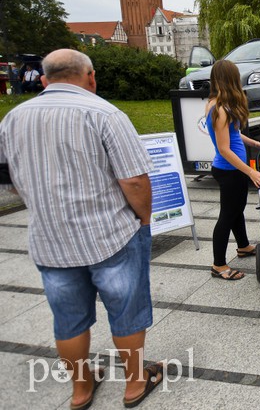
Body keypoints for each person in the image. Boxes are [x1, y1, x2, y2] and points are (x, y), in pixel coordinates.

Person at [0, 49, 166, 408]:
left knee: (69, 318)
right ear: (90, 77)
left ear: (44, 81)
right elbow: (134, 180)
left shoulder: (12, 118)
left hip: (50, 240)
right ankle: (135, 384)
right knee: (126, 310)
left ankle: (81, 389)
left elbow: (9, 179)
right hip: (110, 236)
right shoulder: (105, 114)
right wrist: (145, 219)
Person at [206, 60, 260, 280]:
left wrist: (255, 143)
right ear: (230, 79)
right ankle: (219, 265)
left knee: (236, 209)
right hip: (229, 169)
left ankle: (242, 246)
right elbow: (224, 148)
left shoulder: (221, 105)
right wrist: (250, 171)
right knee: (227, 215)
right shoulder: (219, 109)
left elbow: (233, 135)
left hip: (233, 170)